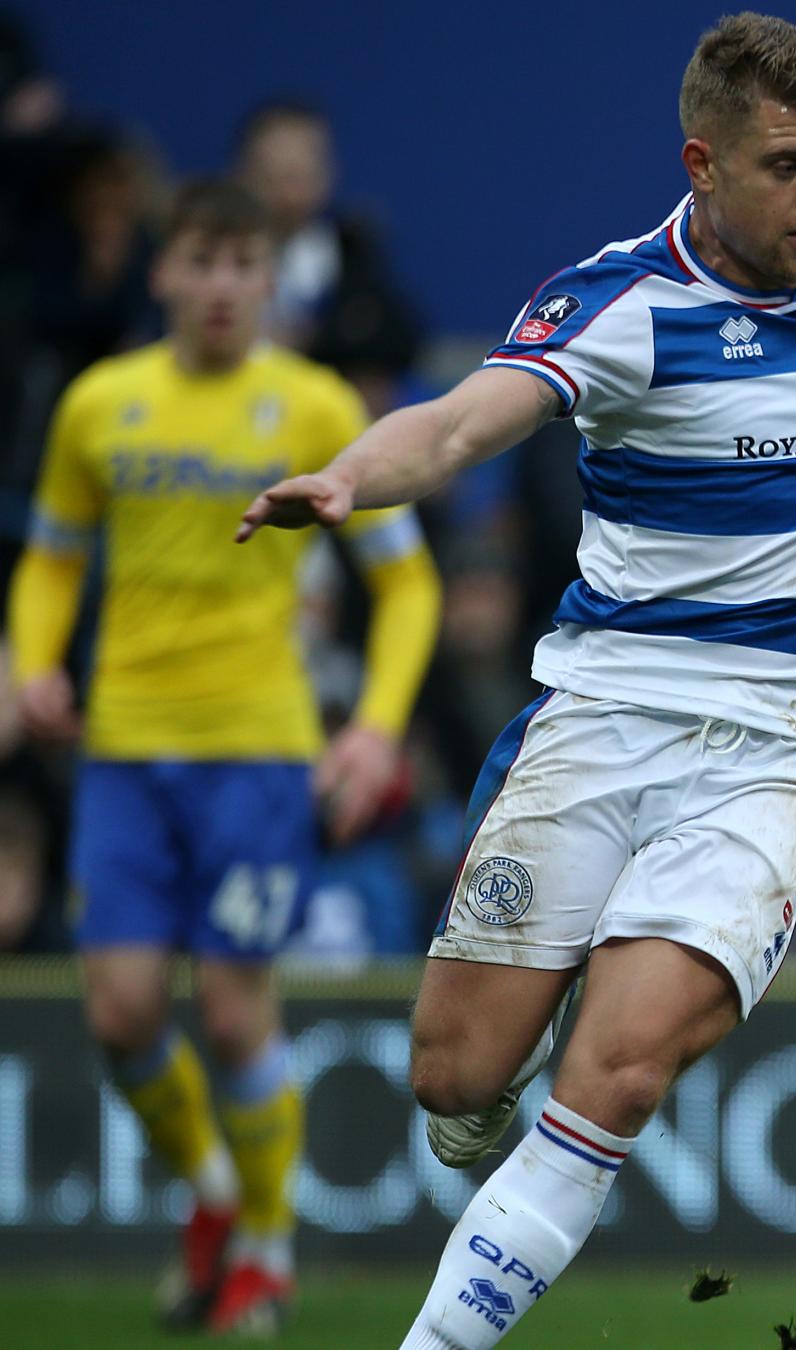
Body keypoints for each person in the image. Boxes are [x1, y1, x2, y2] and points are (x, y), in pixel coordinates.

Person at [235, 16, 796, 1348]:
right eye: (789, 164)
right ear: (703, 164)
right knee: (452, 1080)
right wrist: (352, 477)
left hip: (782, 745)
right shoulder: (617, 306)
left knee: (615, 1073)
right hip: (607, 717)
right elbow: (454, 424)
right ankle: (535, 997)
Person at [4, 179, 440, 1334]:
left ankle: (267, 1245)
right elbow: (51, 557)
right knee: (122, 1015)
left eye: (242, 266)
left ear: (266, 279)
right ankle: (211, 1193)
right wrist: (36, 661)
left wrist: (377, 725)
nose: (219, 287)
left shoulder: (309, 405)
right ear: (163, 272)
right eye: (199, 262)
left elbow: (405, 581)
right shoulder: (103, 405)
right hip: (124, 751)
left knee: (238, 1016)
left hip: (255, 752)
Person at [234, 99, 423, 413]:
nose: (287, 194)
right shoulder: (210, 255)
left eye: (299, 175)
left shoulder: (353, 251)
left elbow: (398, 341)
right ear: (243, 172)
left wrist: (310, 340)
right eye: (273, 175)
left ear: (326, 173)